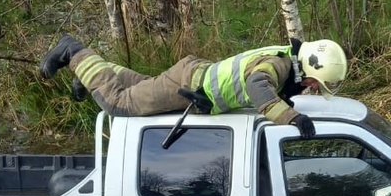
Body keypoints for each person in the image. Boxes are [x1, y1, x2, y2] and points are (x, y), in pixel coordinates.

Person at [39, 35, 348, 139]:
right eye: (314, 83)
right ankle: (73, 52)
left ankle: (88, 71)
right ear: (308, 69)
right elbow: (257, 88)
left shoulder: (285, 64)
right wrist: (294, 119)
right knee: (119, 104)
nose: (313, 88)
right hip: (187, 83)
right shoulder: (279, 65)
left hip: (192, 81)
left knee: (138, 87)